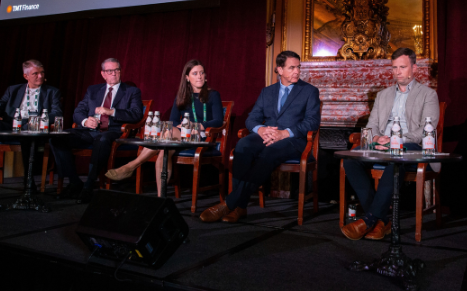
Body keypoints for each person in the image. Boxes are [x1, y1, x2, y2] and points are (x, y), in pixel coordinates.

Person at [200, 50, 320, 223]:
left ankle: (230, 204)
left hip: (294, 140)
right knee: (243, 146)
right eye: (292, 67)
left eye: (298, 67)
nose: (297, 71)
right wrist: (261, 129)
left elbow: (312, 122)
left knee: (268, 153)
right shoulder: (267, 92)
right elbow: (252, 119)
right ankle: (240, 207)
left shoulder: (309, 91)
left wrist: (284, 133)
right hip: (267, 135)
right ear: (280, 69)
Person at [340, 48, 439, 241]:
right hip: (382, 145)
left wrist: (396, 140)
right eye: (394, 68)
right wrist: (377, 139)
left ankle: (369, 219)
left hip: (411, 145)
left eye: (402, 67)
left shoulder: (428, 95)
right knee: (350, 160)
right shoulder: (383, 95)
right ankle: (382, 220)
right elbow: (372, 126)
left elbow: (425, 130)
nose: (398, 72)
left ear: (414, 68)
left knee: (397, 157)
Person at [104, 60, 223, 196]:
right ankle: (161, 197)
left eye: (202, 73)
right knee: (163, 151)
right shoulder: (182, 96)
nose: (199, 76)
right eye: (195, 73)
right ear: (187, 77)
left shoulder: (213, 95)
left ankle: (132, 165)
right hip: (180, 135)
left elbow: (218, 121)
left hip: (201, 135)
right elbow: (173, 120)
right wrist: (183, 126)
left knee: (167, 137)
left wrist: (199, 125)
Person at [50, 58, 143, 204]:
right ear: (103, 74)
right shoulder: (93, 90)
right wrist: (85, 121)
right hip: (89, 130)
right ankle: (74, 182)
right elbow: (78, 112)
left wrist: (111, 111)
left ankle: (88, 185)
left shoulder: (131, 91)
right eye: (110, 71)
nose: (114, 73)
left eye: (117, 70)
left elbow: (136, 114)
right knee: (57, 137)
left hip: (112, 131)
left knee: (102, 139)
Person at [0, 60, 62, 191]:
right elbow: (1, 106)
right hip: (12, 125)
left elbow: (57, 113)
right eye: (36, 73)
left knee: (27, 136)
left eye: (42, 73)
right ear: (26, 76)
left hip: (34, 127)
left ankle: (28, 180)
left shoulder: (52, 91)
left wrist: (39, 120)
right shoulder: (13, 90)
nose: (40, 76)